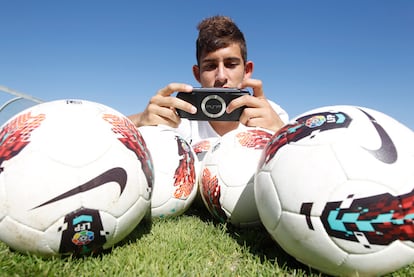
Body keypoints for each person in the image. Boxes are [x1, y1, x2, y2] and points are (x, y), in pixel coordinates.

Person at [128, 15, 289, 144]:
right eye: (210, 66)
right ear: (197, 74)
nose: (221, 77)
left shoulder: (271, 114)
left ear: (247, 71)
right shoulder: (179, 117)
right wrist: (141, 120)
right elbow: (105, 129)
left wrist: (282, 134)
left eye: (231, 64)